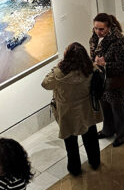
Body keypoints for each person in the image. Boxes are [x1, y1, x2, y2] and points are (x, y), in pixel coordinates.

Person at [41, 43, 103, 176]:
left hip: (67, 112)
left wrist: (57, 67)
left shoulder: (58, 73)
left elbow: (45, 84)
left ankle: (74, 168)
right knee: (91, 138)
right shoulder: (89, 68)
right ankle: (95, 161)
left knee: (71, 143)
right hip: (86, 108)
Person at [91, 13, 124, 147]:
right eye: (96, 28)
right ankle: (108, 130)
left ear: (109, 27)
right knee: (105, 106)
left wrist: (105, 64)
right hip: (103, 79)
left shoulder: (118, 41)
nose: (98, 31)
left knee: (118, 108)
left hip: (116, 81)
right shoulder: (95, 37)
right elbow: (94, 53)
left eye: (101, 29)